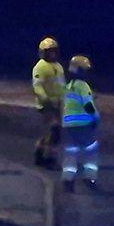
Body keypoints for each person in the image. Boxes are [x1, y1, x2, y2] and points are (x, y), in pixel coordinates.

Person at [61, 54, 100, 192]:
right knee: (90, 151)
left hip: (68, 127)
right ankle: (89, 178)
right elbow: (88, 105)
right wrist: (95, 118)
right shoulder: (83, 86)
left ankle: (68, 180)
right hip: (84, 126)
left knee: (71, 153)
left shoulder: (69, 86)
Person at [31, 36, 64, 169]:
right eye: (49, 51)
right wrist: (45, 99)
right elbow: (37, 86)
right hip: (47, 105)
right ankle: (49, 158)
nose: (53, 54)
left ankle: (39, 152)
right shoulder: (40, 67)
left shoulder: (58, 67)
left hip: (58, 104)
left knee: (51, 133)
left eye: (54, 51)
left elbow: (61, 85)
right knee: (54, 130)